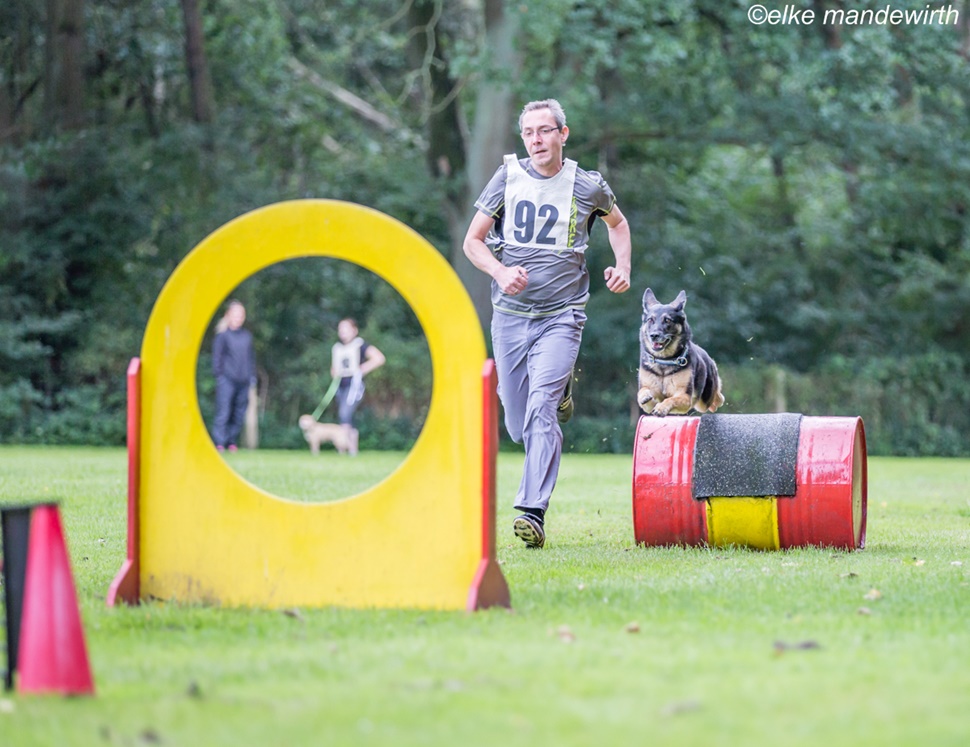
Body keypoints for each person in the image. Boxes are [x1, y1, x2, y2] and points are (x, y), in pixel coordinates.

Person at [462, 98, 632, 549]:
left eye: (544, 131)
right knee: (518, 425)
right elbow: (472, 242)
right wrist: (500, 272)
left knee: (541, 407)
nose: (536, 140)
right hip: (510, 318)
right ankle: (560, 395)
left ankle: (531, 510)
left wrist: (623, 268)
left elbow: (618, 225)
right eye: (529, 133)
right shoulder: (507, 177)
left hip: (562, 315)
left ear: (563, 134)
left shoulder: (587, 185)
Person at [331, 317, 386, 456]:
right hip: (340, 385)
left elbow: (379, 358)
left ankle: (346, 448)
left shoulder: (360, 345)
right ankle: (352, 450)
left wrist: (362, 369)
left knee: (344, 414)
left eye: (346, 328)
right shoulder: (337, 348)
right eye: (340, 328)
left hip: (354, 386)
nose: (342, 331)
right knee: (347, 417)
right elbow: (334, 368)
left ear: (354, 330)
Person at [212, 300, 256, 452]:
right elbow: (217, 358)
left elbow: (250, 358)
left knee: (239, 413)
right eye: (235, 314)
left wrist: (251, 376)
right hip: (227, 380)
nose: (238, 318)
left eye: (241, 315)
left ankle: (231, 442)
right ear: (228, 315)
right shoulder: (222, 336)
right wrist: (220, 376)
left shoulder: (247, 336)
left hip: (244, 381)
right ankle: (219, 442)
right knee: (224, 412)